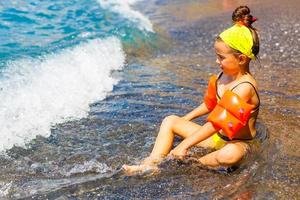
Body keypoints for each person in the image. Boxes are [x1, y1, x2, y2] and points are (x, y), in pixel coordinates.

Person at [123, 5, 260, 174]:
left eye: (221, 58)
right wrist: (185, 119)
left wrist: (184, 144)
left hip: (238, 143)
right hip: (217, 138)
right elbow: (210, 105)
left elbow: (217, 123)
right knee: (170, 120)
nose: (217, 61)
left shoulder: (245, 87)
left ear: (241, 59)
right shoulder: (222, 76)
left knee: (229, 154)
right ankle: (151, 164)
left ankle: (194, 164)